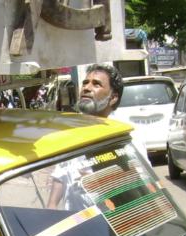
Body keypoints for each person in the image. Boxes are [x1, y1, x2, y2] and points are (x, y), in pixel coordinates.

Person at [46, 63, 148, 210]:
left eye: (97, 84)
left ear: (112, 98)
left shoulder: (125, 135)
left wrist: (99, 182)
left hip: (109, 223)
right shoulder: (73, 130)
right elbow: (61, 173)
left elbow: (141, 180)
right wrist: (52, 205)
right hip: (73, 223)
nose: (87, 88)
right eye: (85, 83)